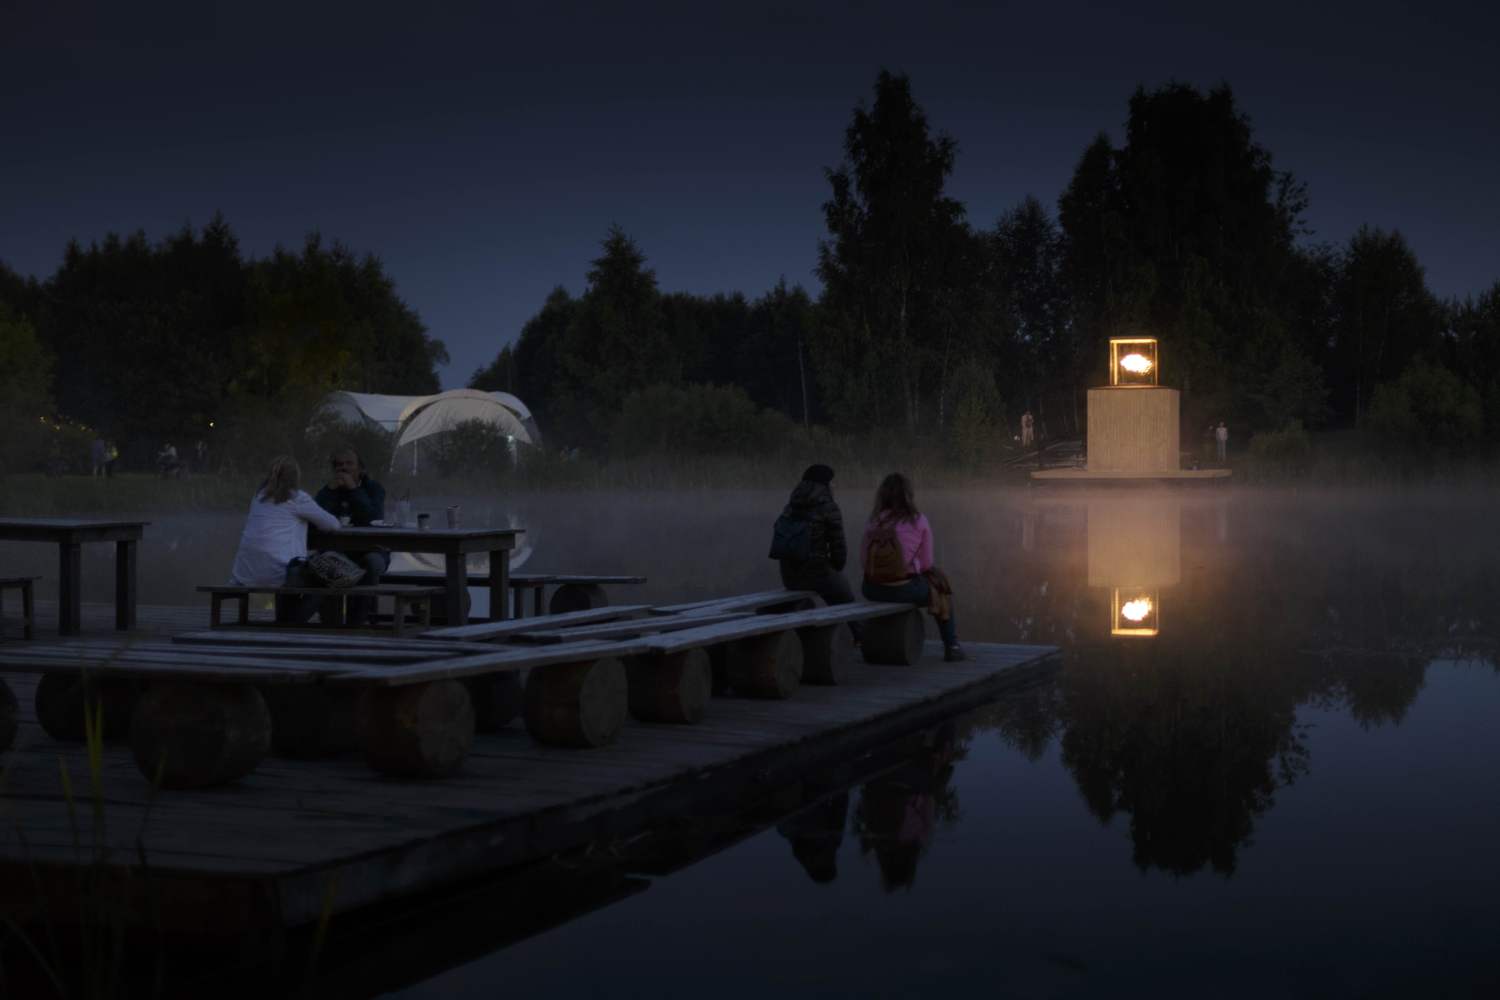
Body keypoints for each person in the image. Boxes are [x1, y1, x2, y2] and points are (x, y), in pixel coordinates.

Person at [860, 472, 965, 662]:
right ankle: (952, 646)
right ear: (908, 495)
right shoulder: (918, 520)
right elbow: (927, 564)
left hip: (871, 589)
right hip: (903, 589)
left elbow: (863, 561)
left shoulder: (873, 521)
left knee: (933, 585)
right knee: (941, 590)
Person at [228, 456, 340, 623]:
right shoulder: (297, 498)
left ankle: (287, 620)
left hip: (245, 573)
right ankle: (296, 623)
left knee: (292, 571)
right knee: (327, 580)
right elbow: (333, 525)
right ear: (296, 477)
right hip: (280, 573)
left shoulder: (259, 497)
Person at [773, 463, 861, 642]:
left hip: (789, 575)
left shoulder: (790, 506)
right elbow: (838, 547)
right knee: (845, 596)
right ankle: (862, 639)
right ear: (825, 484)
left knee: (824, 590)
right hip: (816, 572)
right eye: (832, 482)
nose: (834, 486)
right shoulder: (828, 507)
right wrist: (836, 568)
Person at [315, 447, 389, 625]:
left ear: (361, 468)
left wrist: (354, 489)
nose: (344, 468)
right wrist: (329, 491)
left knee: (371, 563)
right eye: (339, 465)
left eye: (349, 464)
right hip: (338, 551)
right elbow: (315, 516)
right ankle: (331, 624)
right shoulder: (329, 490)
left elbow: (374, 519)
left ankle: (357, 623)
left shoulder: (374, 488)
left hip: (372, 550)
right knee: (327, 562)